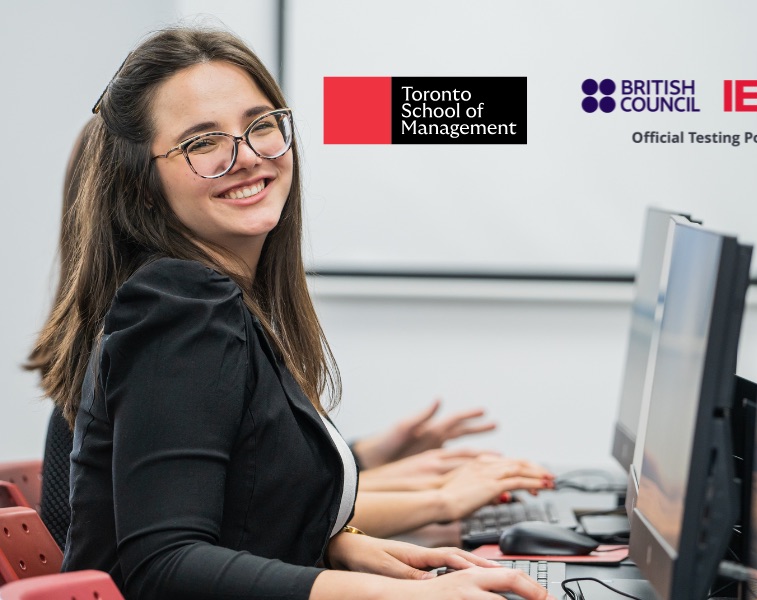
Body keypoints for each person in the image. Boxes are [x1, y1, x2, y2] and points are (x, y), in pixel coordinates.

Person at [29, 26, 551, 599]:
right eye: (202, 143)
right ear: (146, 185)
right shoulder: (180, 303)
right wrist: (409, 595)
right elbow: (164, 565)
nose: (248, 156)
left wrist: (336, 544)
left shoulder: (219, 298)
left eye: (261, 126)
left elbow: (238, 503)